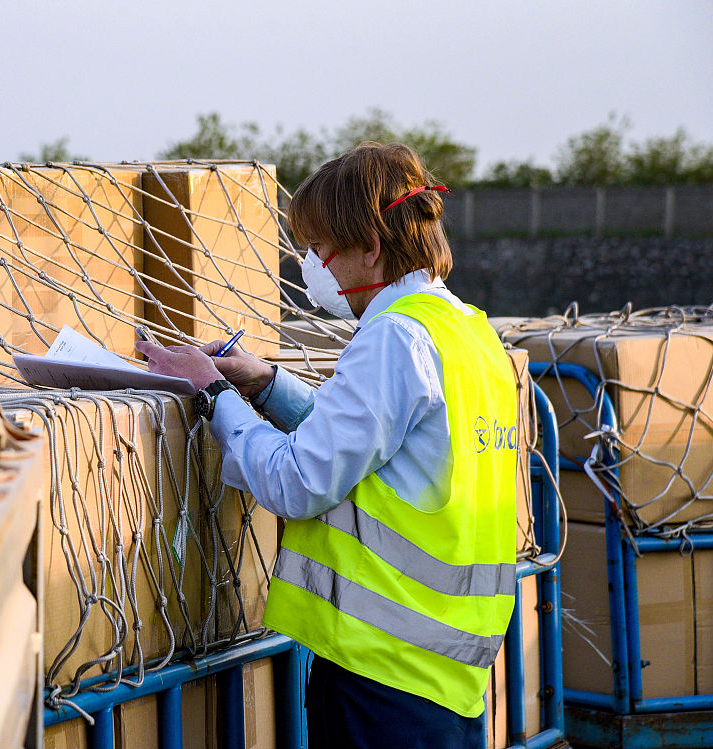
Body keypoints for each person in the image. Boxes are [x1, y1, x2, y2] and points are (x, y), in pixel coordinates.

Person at [136, 142, 518, 749]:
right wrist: (267, 384)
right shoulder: (468, 332)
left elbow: (299, 482)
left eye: (320, 249)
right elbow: (382, 449)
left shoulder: (395, 337)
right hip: (445, 672)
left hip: (384, 672)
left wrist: (211, 393)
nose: (313, 267)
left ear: (371, 246)